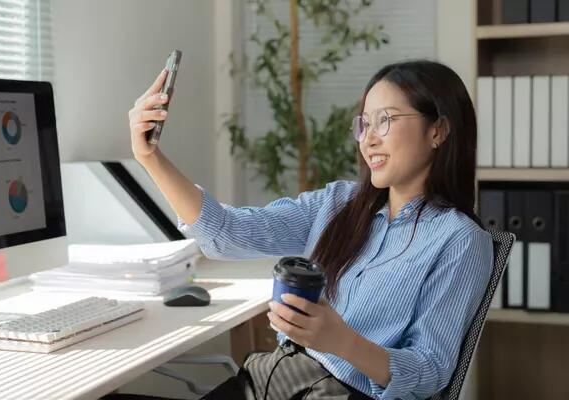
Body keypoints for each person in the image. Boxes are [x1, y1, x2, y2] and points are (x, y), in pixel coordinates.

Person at [112, 59, 493, 400]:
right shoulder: (337, 204)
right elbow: (227, 233)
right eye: (364, 123)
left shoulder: (460, 241)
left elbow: (429, 373)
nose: (369, 139)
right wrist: (150, 158)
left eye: (386, 120)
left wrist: (341, 341)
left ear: (438, 131)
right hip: (272, 379)